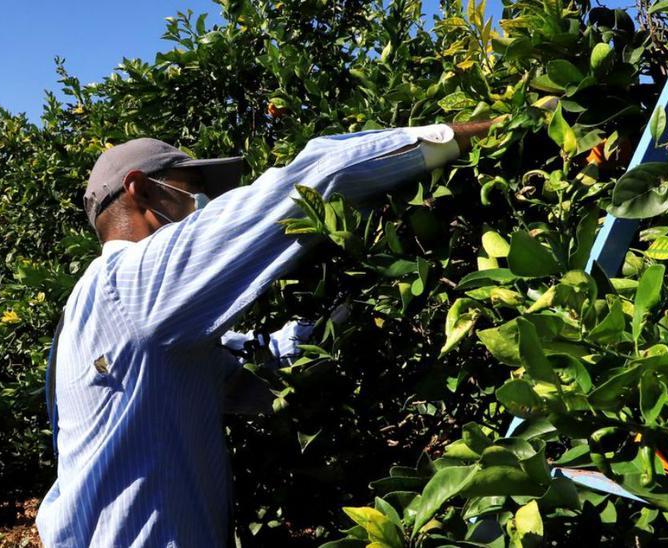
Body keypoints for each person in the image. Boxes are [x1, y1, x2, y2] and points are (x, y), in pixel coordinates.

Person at [37, 120, 496, 546]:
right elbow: (318, 175)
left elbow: (249, 371)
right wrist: (473, 133)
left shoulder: (94, 307)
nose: (203, 205)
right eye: (192, 189)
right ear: (139, 190)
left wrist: (349, 314)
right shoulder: (134, 282)